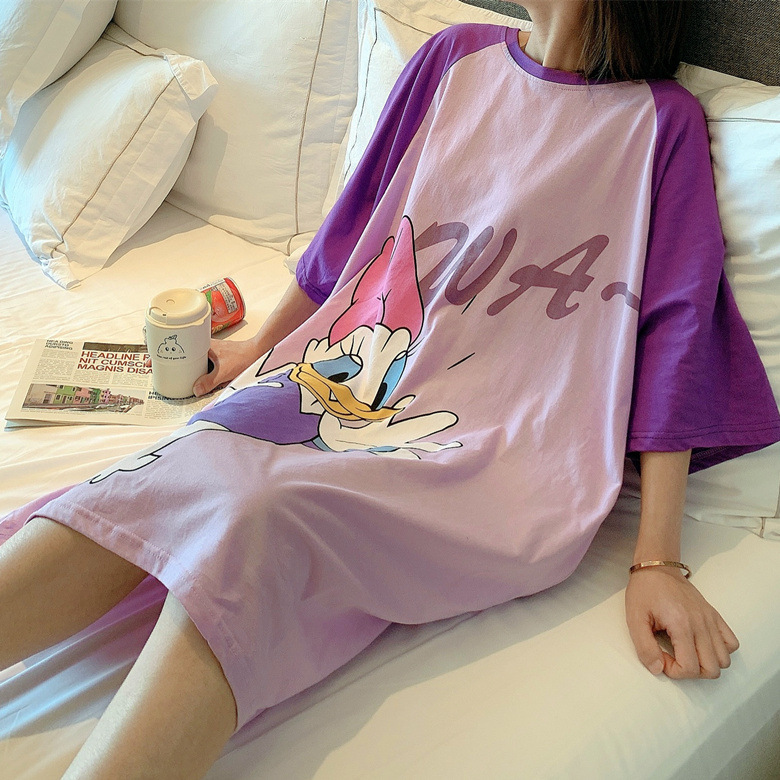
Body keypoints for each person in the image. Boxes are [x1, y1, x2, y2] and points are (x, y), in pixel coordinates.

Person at [2, 1, 779, 777]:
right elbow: (357, 226)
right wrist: (260, 348)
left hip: (501, 455)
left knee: (267, 516)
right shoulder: (454, 57)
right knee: (188, 458)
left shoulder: (661, 123)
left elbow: (676, 332)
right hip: (344, 376)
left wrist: (656, 562)